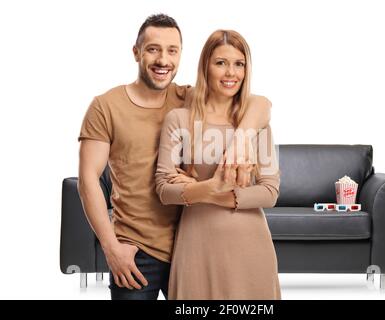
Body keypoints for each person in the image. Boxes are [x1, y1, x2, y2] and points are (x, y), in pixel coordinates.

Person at [77, 14, 272, 300]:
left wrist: (241, 140)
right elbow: (87, 180)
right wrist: (111, 247)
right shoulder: (106, 107)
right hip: (137, 251)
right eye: (153, 49)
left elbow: (260, 103)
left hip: (191, 242)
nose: (163, 60)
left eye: (172, 50)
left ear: (181, 55)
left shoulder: (188, 99)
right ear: (136, 52)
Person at [155, 29, 281, 299]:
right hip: (197, 245)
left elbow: (270, 192)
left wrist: (205, 191)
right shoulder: (179, 120)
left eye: (239, 64)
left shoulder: (256, 123)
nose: (230, 73)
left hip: (251, 246)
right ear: (205, 67)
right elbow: (164, 190)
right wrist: (210, 188)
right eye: (221, 63)